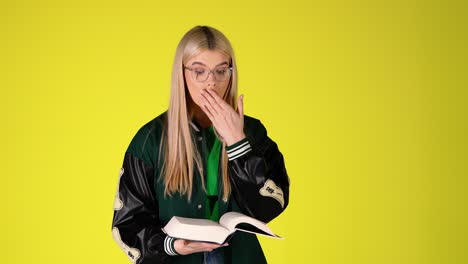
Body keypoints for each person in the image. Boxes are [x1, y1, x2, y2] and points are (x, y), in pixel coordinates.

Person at [111, 25, 290, 264]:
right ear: (182, 74)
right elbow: (127, 225)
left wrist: (238, 144)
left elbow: (269, 208)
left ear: (231, 73)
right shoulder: (150, 140)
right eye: (199, 71)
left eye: (220, 71)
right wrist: (173, 246)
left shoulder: (252, 132)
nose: (211, 82)